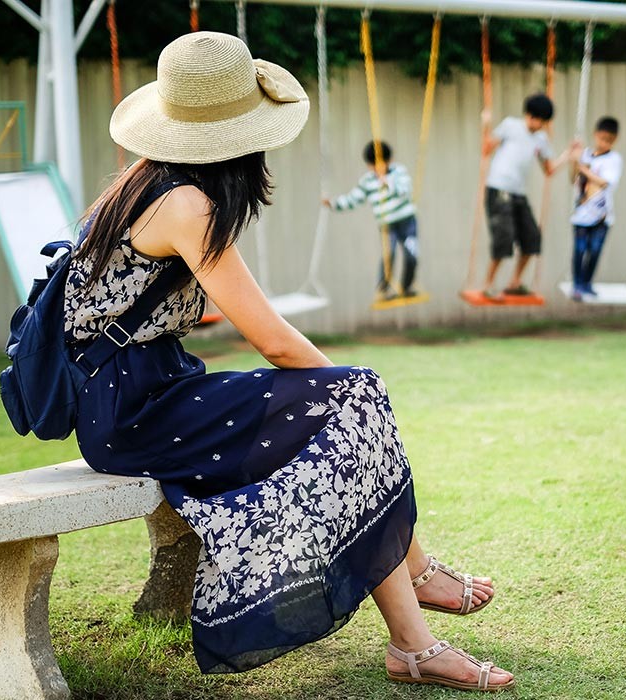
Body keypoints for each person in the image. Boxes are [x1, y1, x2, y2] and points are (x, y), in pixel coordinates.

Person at [64, 32, 513, 692]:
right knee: (355, 401)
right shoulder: (186, 204)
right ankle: (417, 604)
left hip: (143, 395)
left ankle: (413, 636)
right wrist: (351, 388)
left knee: (352, 414)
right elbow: (272, 341)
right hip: (133, 414)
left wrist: (349, 393)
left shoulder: (142, 184)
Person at [478, 94, 571, 301]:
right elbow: (486, 149)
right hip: (498, 189)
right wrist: (486, 125)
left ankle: (514, 283)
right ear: (528, 115)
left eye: (544, 122)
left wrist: (567, 155)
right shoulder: (511, 126)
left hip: (518, 193)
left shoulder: (541, 139)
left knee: (532, 239)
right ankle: (488, 285)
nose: (540, 125)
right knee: (504, 238)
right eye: (539, 120)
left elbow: (549, 169)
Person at [324, 141, 419, 301]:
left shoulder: (399, 172)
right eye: (374, 166)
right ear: (369, 166)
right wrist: (333, 204)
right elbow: (354, 198)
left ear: (390, 160)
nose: (378, 169)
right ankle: (383, 289)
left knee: (412, 255)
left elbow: (405, 191)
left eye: (381, 164)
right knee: (389, 254)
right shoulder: (368, 181)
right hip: (387, 226)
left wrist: (388, 184)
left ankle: (406, 287)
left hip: (407, 223)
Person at [569, 116, 623, 301]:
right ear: (595, 135)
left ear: (614, 140)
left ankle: (586, 284)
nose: (604, 143)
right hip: (581, 214)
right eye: (601, 138)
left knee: (594, 250)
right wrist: (574, 161)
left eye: (609, 140)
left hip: (602, 215)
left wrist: (582, 168)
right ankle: (577, 285)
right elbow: (573, 179)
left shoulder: (614, 159)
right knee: (580, 249)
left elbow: (604, 183)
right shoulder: (584, 155)